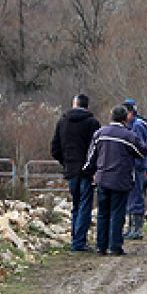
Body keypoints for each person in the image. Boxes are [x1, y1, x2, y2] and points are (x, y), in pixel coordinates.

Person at [84, 105, 145, 255]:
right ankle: (115, 246)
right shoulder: (128, 136)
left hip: (103, 178)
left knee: (102, 213)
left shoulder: (100, 133)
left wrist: (90, 171)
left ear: (111, 117)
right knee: (117, 213)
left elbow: (91, 156)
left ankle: (101, 246)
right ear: (125, 119)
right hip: (120, 179)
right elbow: (142, 151)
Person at [51, 94, 101, 251]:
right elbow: (97, 148)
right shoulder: (92, 123)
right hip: (87, 170)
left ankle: (75, 237)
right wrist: (94, 167)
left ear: (74, 105)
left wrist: (65, 163)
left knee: (76, 204)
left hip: (71, 169)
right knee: (85, 205)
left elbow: (55, 149)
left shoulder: (62, 122)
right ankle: (79, 241)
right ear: (87, 106)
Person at [122, 99, 147, 240]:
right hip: (133, 166)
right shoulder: (132, 125)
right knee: (131, 197)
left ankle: (137, 229)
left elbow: (139, 146)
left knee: (136, 196)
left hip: (137, 166)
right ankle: (131, 227)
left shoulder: (138, 126)